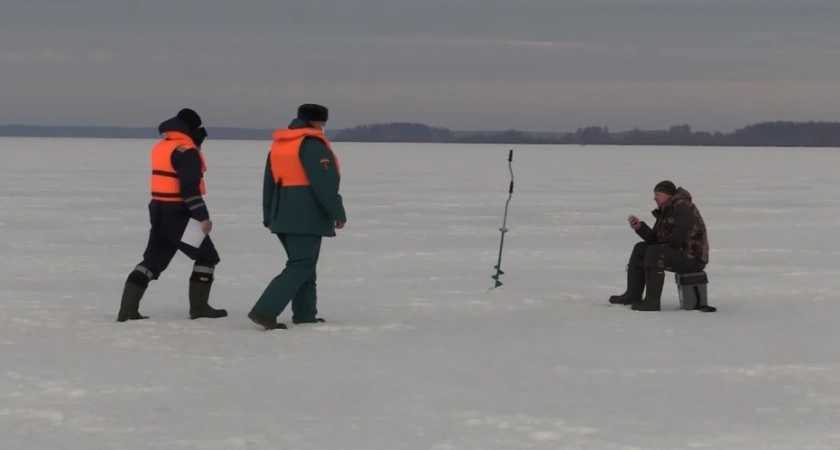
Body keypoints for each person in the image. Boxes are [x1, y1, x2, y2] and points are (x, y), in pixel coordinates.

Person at [116, 108, 227, 322]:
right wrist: (203, 216)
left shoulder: (163, 146)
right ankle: (199, 308)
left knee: (153, 260)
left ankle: (127, 310)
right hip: (179, 214)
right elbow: (189, 188)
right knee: (207, 256)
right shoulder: (187, 151)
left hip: (158, 210)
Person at [248, 104, 347, 330]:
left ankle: (305, 314)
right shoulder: (312, 146)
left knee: (306, 265)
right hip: (306, 216)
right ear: (316, 121)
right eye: (323, 122)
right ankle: (264, 311)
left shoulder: (280, 146)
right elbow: (324, 184)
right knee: (301, 265)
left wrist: (268, 215)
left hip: (281, 215)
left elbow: (268, 184)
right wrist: (337, 212)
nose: (323, 126)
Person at [608, 180, 709, 311]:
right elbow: (656, 240)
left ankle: (652, 302)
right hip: (678, 253)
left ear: (668, 195)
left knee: (655, 252)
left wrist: (659, 247)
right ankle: (632, 295)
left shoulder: (683, 207)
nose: (654, 198)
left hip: (693, 258)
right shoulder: (667, 209)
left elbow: (678, 239)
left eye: (658, 194)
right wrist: (640, 228)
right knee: (641, 248)